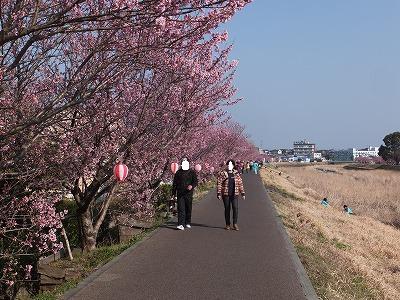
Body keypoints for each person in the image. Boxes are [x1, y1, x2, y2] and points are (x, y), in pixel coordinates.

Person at [217, 160, 246, 231]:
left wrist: (242, 193)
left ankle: (235, 223)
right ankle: (227, 224)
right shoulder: (222, 173)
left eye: (231, 165)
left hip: (235, 194)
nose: (230, 166)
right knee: (227, 209)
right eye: (229, 164)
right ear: (227, 165)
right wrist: (218, 193)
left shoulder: (236, 173)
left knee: (235, 208)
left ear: (233, 166)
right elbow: (219, 183)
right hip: (226, 194)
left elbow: (240, 183)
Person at [172, 158, 198, 230]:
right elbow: (175, 183)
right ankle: (180, 224)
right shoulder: (178, 172)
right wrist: (173, 193)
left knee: (188, 208)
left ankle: (187, 222)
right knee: (181, 208)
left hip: (188, 193)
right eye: (183, 161)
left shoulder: (192, 172)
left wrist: (191, 186)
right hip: (180, 193)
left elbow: (195, 181)